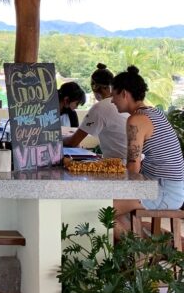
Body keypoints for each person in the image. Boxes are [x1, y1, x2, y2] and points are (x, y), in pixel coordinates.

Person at [111, 65, 184, 234]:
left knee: (101, 212)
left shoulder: (136, 120)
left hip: (162, 190)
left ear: (124, 93)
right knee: (117, 213)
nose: (112, 101)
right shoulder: (154, 113)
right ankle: (155, 246)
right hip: (169, 188)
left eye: (113, 95)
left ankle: (144, 253)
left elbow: (133, 168)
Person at [63, 63, 128, 159]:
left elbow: (73, 142)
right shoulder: (123, 103)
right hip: (133, 162)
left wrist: (58, 139)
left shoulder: (100, 108)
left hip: (119, 165)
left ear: (94, 87)